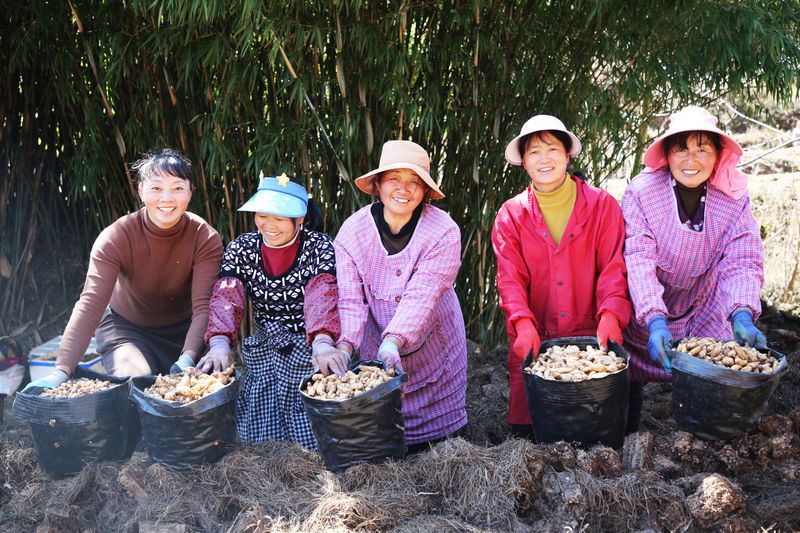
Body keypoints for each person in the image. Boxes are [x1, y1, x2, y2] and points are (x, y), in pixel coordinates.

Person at [23, 148, 223, 391]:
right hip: (127, 330)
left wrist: (187, 358)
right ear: (140, 191)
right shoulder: (116, 236)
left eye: (178, 188)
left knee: (187, 394)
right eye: (156, 188)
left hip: (187, 332)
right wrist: (60, 371)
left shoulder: (204, 238)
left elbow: (204, 308)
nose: (167, 198)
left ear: (190, 193)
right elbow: (91, 303)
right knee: (134, 382)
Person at [622, 106, 765, 429]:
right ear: (667, 155)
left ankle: (702, 431)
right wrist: (654, 319)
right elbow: (638, 258)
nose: (691, 160)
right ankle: (628, 425)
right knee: (630, 369)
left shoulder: (733, 198)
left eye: (703, 150)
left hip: (704, 299)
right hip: (647, 299)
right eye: (681, 149)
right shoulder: (642, 193)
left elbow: (742, 259)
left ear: (717, 156)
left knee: (712, 367)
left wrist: (741, 312)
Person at [492, 115, 632, 439]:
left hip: (590, 343)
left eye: (552, 148)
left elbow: (613, 269)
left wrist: (611, 315)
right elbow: (509, 280)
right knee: (532, 438)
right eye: (534, 151)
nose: (544, 159)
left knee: (596, 436)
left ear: (568, 155)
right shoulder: (511, 215)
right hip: (536, 340)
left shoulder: (602, 206)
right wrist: (523, 324)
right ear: (523, 161)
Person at [333, 140, 468, 453]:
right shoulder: (353, 232)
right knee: (384, 436)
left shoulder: (443, 230)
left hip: (436, 342)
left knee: (443, 447)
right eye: (394, 179)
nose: (403, 190)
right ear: (377, 184)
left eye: (414, 182)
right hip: (376, 343)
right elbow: (350, 300)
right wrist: (345, 345)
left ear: (424, 191)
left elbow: (424, 292)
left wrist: (395, 339)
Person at [201, 174, 342, 448]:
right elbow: (227, 294)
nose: (269, 225)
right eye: (262, 215)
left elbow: (322, 293)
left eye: (279, 218)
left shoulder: (319, 247)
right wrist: (219, 342)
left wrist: (323, 341)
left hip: (309, 347)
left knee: (314, 436)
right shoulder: (242, 248)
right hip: (266, 346)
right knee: (255, 437)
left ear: (299, 219)